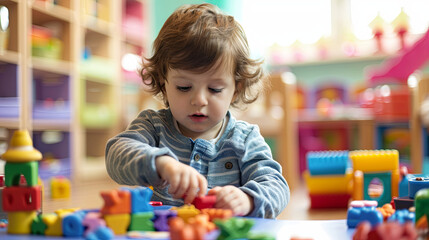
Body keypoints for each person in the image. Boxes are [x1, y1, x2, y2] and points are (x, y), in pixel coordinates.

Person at [105, 3, 289, 218]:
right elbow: (116, 154)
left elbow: (276, 185)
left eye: (215, 89)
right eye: (184, 87)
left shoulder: (245, 138)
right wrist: (160, 163)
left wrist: (248, 199)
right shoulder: (153, 126)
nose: (199, 100)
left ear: (236, 90)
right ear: (164, 83)